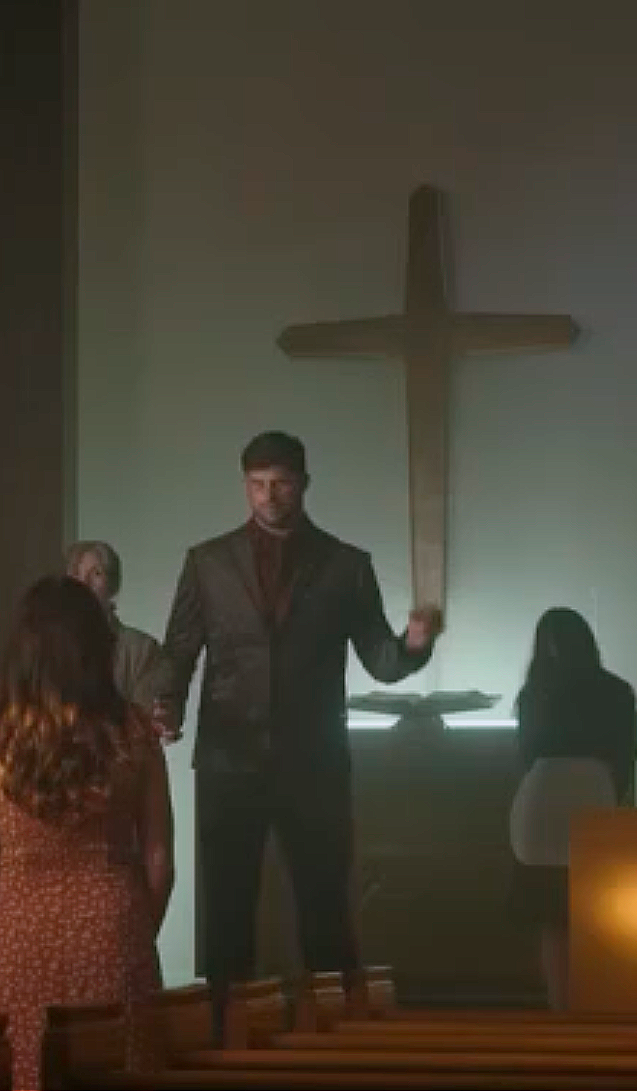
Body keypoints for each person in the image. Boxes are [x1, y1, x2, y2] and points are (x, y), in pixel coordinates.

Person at [157, 430, 441, 1021]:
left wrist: (414, 644)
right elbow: (180, 650)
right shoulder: (208, 562)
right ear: (245, 486)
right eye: (258, 484)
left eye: (281, 483)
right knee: (227, 907)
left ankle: (338, 1032)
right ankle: (225, 1031)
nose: (269, 496)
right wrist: (168, 704)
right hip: (230, 759)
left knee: (324, 904)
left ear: (304, 484)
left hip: (313, 762)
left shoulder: (346, 565)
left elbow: (381, 660)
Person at [0, 576, 172, 1091]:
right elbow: (160, 860)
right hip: (113, 926)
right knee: (117, 1071)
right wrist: (138, 930)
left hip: (17, 940)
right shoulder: (133, 734)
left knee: (27, 1071)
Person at [509, 606, 637, 1009]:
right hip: (594, 800)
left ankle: (560, 1008)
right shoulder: (617, 692)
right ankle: (593, 1006)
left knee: (552, 918)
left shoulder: (535, 694)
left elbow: (525, 755)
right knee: (595, 912)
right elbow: (625, 757)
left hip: (541, 802)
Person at [65, 539, 169, 711]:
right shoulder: (49, 644)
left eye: (96, 573)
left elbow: (145, 717)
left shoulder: (141, 649)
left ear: (113, 584)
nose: (84, 582)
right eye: (76, 573)